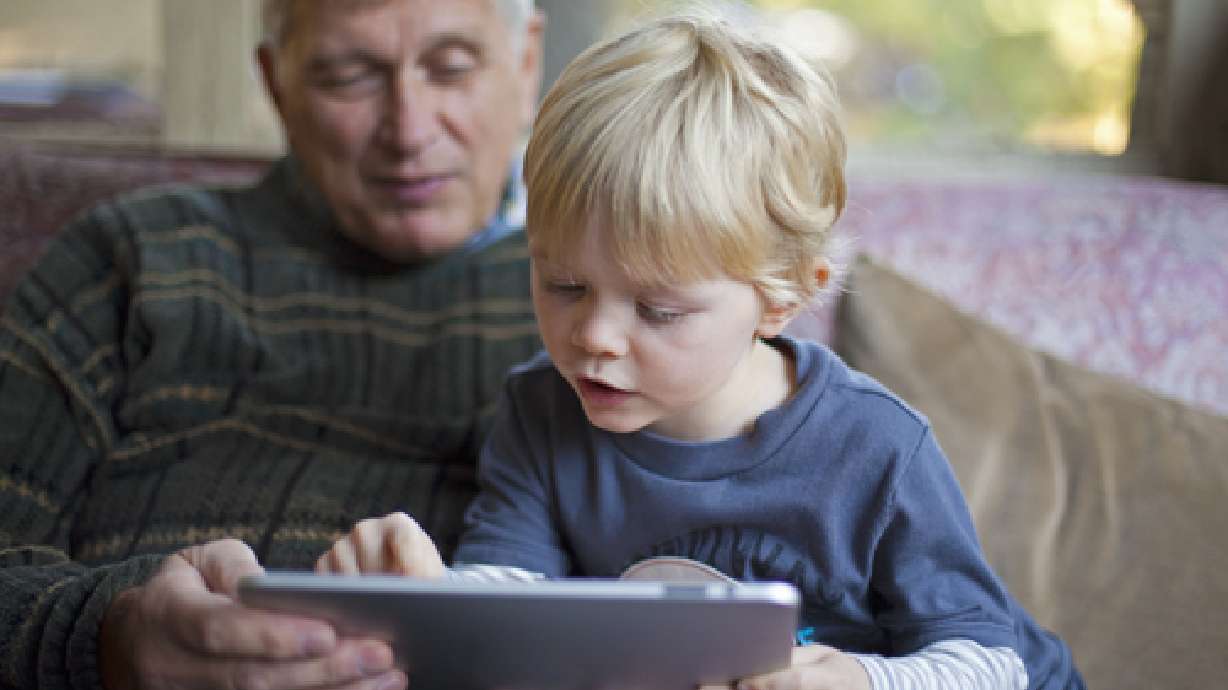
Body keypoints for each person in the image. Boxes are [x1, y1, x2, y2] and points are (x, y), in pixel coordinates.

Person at [318, 7, 1087, 690]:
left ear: (782, 296)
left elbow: (994, 662)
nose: (594, 336)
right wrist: (425, 594)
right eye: (564, 284)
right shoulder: (538, 412)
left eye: (658, 308)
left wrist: (860, 679)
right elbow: (513, 599)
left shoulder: (879, 449)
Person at [0, 1, 544, 689]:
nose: (409, 131)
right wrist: (105, 633)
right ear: (275, 84)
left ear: (526, 66)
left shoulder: (614, 304)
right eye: (348, 76)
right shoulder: (134, 256)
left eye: (453, 67)